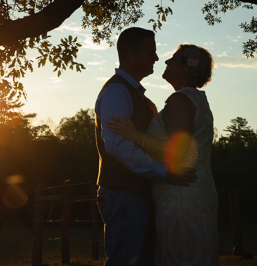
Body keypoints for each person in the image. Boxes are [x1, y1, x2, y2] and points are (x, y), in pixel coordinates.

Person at [108, 44, 219, 265]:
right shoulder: (197, 100)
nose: (166, 62)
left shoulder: (180, 101)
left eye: (174, 59)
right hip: (193, 191)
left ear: (187, 68)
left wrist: (135, 135)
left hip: (181, 198)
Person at [95, 27, 197, 266]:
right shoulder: (117, 92)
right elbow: (118, 146)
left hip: (133, 192)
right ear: (131, 54)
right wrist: (163, 172)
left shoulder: (133, 93)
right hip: (122, 193)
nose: (156, 58)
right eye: (150, 52)